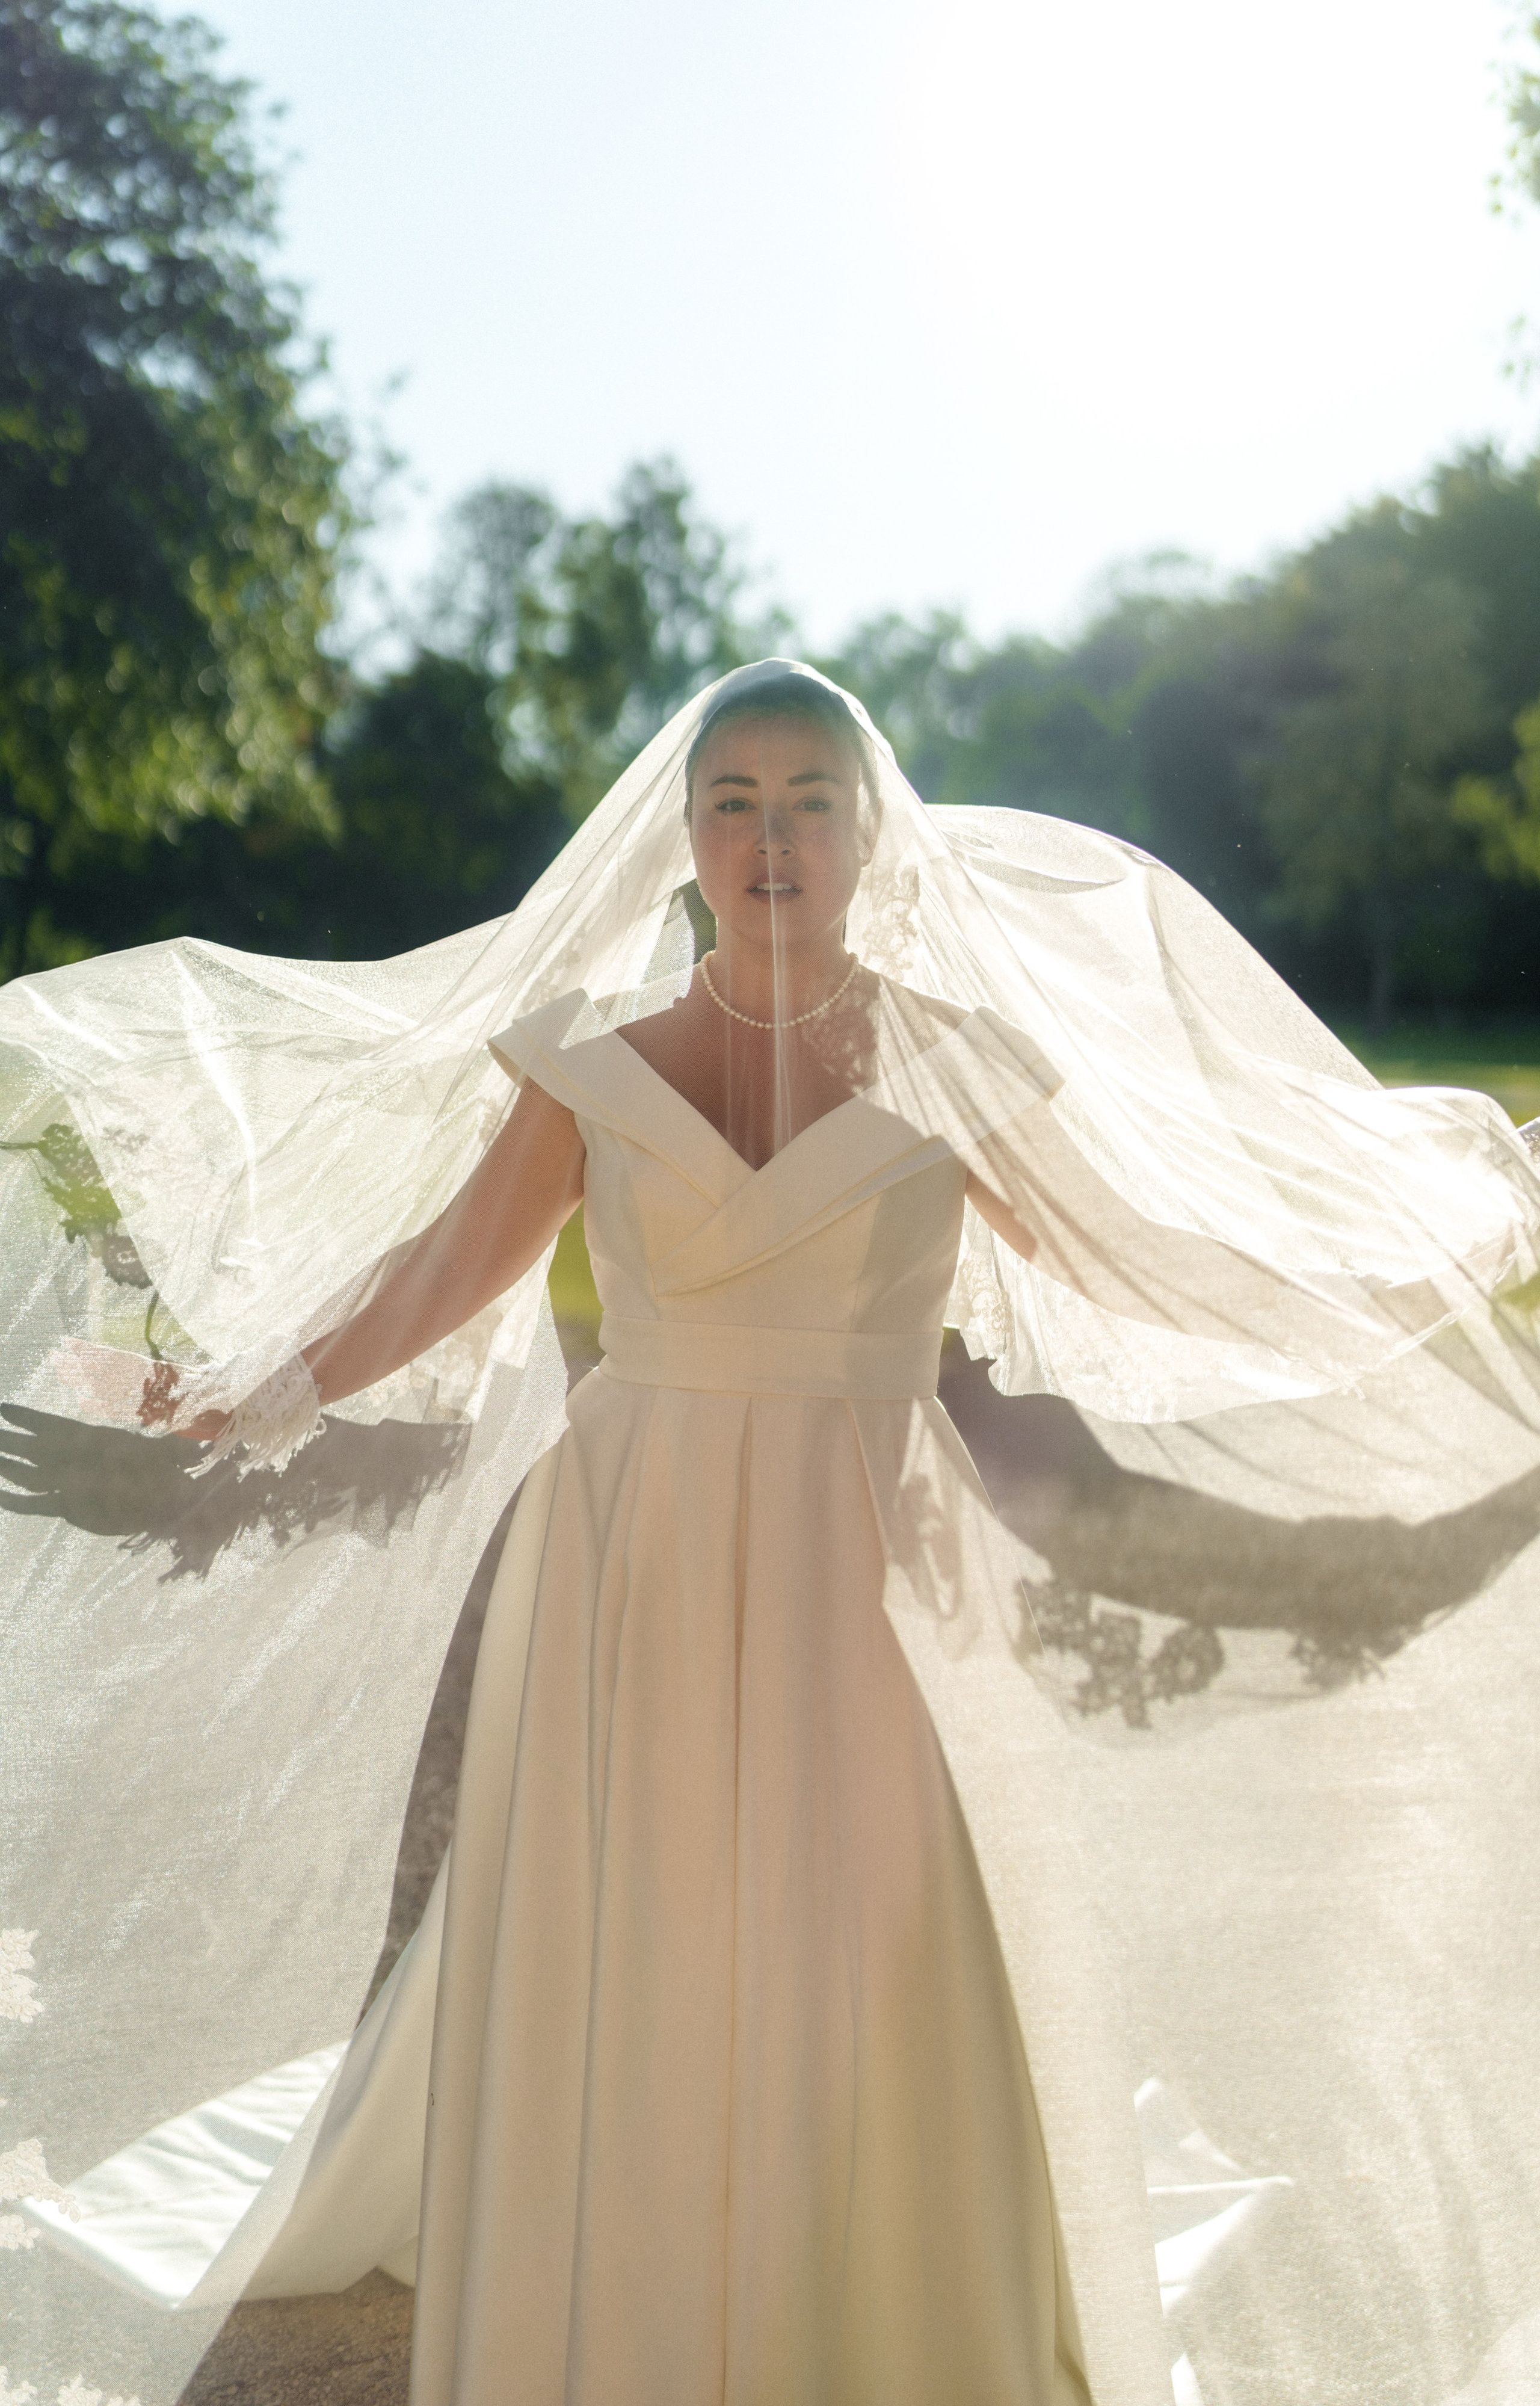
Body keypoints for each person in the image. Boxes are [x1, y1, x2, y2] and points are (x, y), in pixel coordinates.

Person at [3, 662, 1539, 2406]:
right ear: (684, 837)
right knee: (637, 1910)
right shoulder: (590, 1057)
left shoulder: (959, 1063)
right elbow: (447, 1274)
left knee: (862, 1915)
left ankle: (871, 2296)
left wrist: (1445, 1255)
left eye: (810, 797)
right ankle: (635, 2285)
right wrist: (245, 1389)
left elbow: (1146, 1256)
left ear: (874, 833)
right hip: (629, 1544)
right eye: (732, 798)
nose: (771, 836)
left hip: (873, 1543)